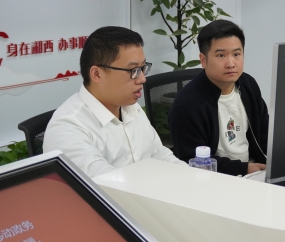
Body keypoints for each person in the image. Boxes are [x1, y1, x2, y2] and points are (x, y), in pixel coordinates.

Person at [43, 26, 185, 178]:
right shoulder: (69, 128)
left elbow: (161, 156)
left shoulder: (131, 108)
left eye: (143, 68)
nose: (142, 79)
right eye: (133, 70)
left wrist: (194, 177)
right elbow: (107, 186)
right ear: (97, 74)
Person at [169, 20, 269, 176]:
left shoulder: (248, 85)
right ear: (203, 60)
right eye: (221, 55)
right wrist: (243, 169)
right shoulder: (187, 104)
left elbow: (265, 133)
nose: (231, 63)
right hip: (213, 178)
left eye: (236, 54)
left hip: (254, 172)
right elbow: (192, 159)